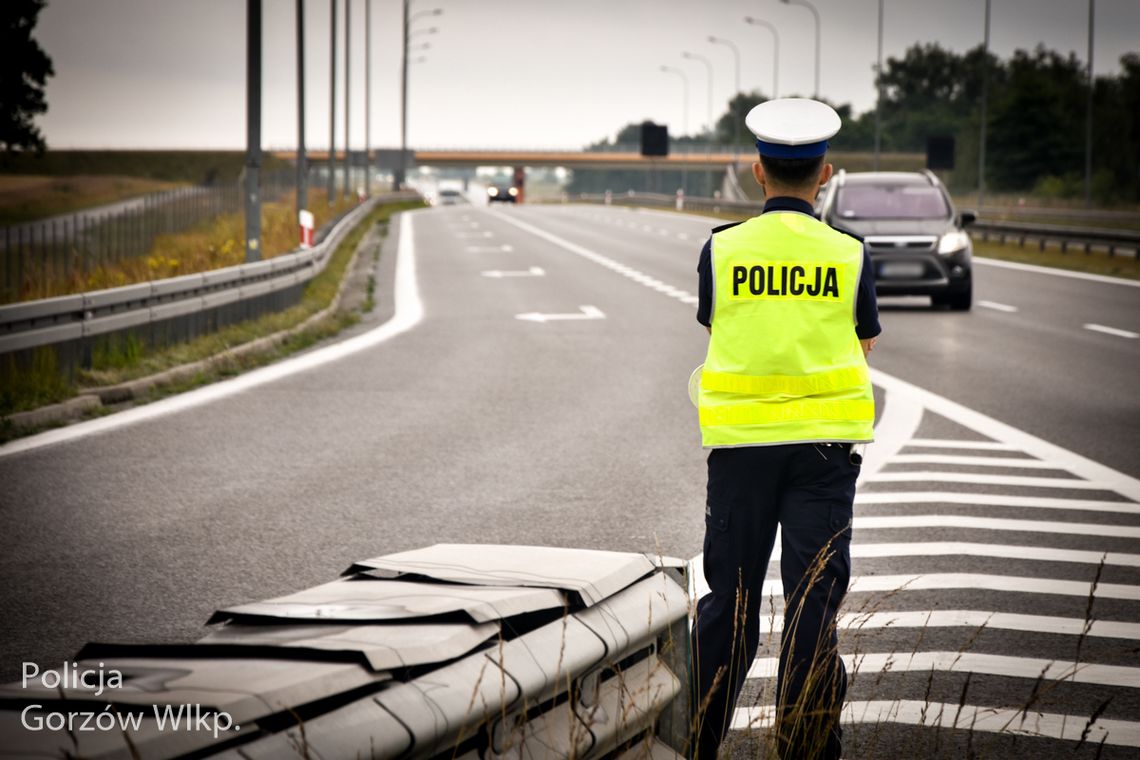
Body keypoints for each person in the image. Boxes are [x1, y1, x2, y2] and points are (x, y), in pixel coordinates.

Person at [690, 98, 881, 760]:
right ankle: (805, 748)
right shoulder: (849, 254)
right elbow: (864, 345)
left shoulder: (723, 249)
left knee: (731, 606)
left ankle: (697, 743)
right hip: (823, 453)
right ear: (824, 174)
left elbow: (722, 329)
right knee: (811, 611)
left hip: (742, 451)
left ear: (756, 172)